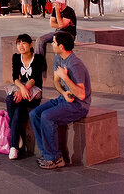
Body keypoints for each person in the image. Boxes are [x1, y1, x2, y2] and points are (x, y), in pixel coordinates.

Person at [31, 32, 92, 170]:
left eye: (54, 42)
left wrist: (65, 77)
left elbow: (81, 94)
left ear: (61, 46)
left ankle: (55, 159)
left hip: (79, 106)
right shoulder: (59, 57)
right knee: (35, 114)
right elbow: (56, 81)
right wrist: (64, 93)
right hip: (64, 99)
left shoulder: (75, 64)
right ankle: (47, 154)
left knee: (47, 117)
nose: (52, 44)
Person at [5, 33, 44, 159]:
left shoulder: (37, 58)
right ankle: (14, 145)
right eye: (19, 43)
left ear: (30, 45)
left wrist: (24, 89)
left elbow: (35, 78)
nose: (21, 46)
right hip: (22, 89)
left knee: (12, 101)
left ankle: (14, 145)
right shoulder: (16, 58)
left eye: (24, 43)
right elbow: (15, 78)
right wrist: (21, 88)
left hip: (34, 92)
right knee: (14, 105)